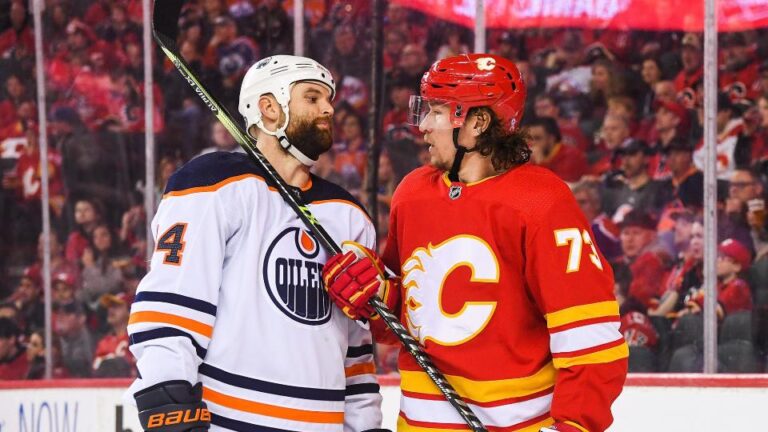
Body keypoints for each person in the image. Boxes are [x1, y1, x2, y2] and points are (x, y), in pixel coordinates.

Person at [322, 54, 627, 431]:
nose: (424, 127)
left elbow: (590, 340)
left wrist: (574, 425)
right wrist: (376, 297)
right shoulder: (412, 193)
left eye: (436, 111)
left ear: (478, 123)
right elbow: (406, 321)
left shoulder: (543, 202)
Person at [127, 55, 384, 432]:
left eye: (328, 98)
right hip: (229, 421)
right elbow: (171, 306)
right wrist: (167, 394)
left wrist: (364, 424)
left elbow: (355, 351)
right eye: (312, 98)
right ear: (269, 107)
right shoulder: (212, 183)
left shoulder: (349, 215)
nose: (329, 107)